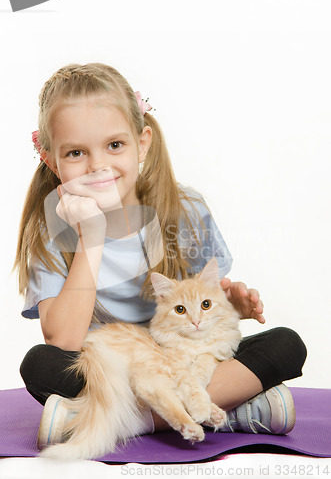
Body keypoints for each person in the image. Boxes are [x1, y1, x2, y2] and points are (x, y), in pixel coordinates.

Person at [15, 63, 307, 449]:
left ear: (143, 143)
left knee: (286, 344)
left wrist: (231, 306)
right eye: (75, 152)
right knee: (40, 364)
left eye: (114, 145)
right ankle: (237, 408)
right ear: (52, 161)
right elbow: (64, 340)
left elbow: (201, 309)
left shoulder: (183, 211)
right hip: (114, 366)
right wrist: (91, 238)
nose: (98, 165)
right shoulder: (51, 230)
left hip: (184, 357)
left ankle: (121, 421)